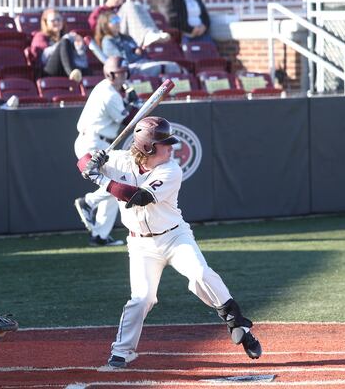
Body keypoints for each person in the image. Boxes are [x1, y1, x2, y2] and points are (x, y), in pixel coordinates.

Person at [76, 117, 262, 367]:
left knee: (200, 274)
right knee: (142, 299)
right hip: (141, 245)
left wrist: (98, 178)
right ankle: (122, 351)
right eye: (165, 144)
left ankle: (235, 321)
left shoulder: (171, 169)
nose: (171, 147)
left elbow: (138, 197)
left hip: (175, 237)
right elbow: (82, 161)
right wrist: (92, 161)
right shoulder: (119, 159)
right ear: (147, 147)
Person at [72, 56, 141, 247]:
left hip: (99, 142)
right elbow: (129, 120)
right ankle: (89, 201)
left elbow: (126, 112)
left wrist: (131, 100)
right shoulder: (108, 93)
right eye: (121, 73)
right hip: (93, 143)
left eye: (125, 72)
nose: (124, 75)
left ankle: (100, 235)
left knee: (115, 186)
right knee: (118, 183)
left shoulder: (110, 89)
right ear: (110, 74)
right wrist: (136, 105)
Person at [94, 11, 183, 77]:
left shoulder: (126, 37)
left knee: (174, 66)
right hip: (131, 68)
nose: (117, 22)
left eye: (118, 19)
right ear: (105, 25)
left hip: (143, 63)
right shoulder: (107, 41)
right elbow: (122, 61)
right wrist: (134, 53)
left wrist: (139, 51)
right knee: (165, 67)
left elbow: (141, 53)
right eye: (113, 20)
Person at [88, 0, 170, 48]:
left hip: (127, 33)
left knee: (137, 5)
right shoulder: (101, 10)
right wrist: (110, 22)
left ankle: (151, 33)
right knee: (129, 5)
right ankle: (146, 37)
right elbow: (96, 27)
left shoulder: (123, 9)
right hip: (112, 35)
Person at [29, 8, 88, 82]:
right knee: (65, 42)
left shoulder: (65, 36)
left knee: (86, 69)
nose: (57, 22)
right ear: (46, 22)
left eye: (59, 19)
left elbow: (79, 59)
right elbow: (43, 57)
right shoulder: (40, 36)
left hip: (63, 69)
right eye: (53, 20)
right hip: (47, 71)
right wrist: (63, 41)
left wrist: (79, 47)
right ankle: (71, 73)